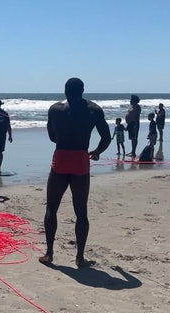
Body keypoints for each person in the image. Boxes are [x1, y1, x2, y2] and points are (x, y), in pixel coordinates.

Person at [38, 78, 111, 268]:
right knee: (81, 211)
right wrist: (97, 151)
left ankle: (49, 253)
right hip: (80, 158)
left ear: (65, 90)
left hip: (61, 156)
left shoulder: (55, 109)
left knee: (51, 208)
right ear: (83, 90)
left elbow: (52, 136)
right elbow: (106, 137)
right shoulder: (94, 109)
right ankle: (79, 257)